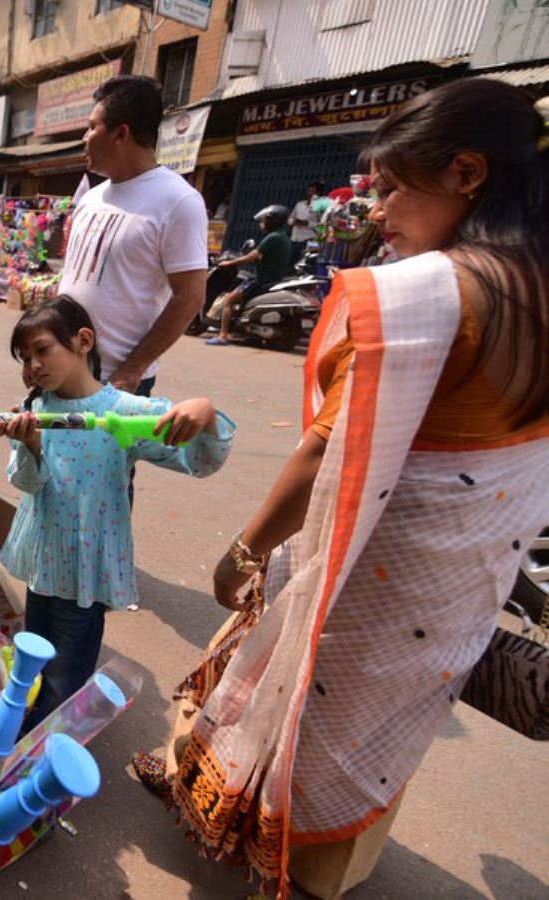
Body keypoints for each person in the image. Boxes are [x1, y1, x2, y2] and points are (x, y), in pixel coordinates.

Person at [136, 79, 549, 900]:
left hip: (364, 577)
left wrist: (243, 549)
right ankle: (315, 866)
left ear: (467, 173)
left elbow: (327, 451)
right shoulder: (534, 287)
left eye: (395, 186)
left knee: (296, 712)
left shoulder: (436, 298)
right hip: (453, 588)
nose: (376, 209)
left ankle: (275, 856)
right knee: (376, 732)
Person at [0, 296, 235, 730]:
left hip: (84, 571)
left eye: (42, 350)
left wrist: (206, 411)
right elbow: (28, 483)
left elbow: (199, 461)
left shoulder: (121, 413)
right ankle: (29, 741)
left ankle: (51, 761)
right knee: (33, 660)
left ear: (83, 341)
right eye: (25, 358)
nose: (33, 366)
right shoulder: (34, 411)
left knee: (66, 680)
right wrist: (29, 445)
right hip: (42, 564)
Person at [58, 76, 207, 396]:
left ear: (120, 133)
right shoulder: (90, 198)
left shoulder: (178, 201)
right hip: (64, 371)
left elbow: (190, 297)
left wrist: (133, 369)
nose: (84, 138)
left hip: (117, 383)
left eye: (92, 127)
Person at [205, 204, 292, 346]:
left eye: (264, 220)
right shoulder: (284, 238)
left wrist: (230, 263)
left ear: (272, 221)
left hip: (262, 279)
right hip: (274, 278)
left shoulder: (272, 237)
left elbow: (253, 256)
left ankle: (223, 335)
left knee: (228, 300)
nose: (262, 223)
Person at [290, 181, 326, 261]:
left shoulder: (322, 208)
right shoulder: (300, 204)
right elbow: (290, 219)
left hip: (311, 239)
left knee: (308, 262)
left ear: (319, 193)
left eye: (313, 192)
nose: (310, 194)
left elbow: (323, 227)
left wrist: (307, 223)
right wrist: (293, 222)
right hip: (295, 239)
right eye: (309, 191)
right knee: (291, 261)